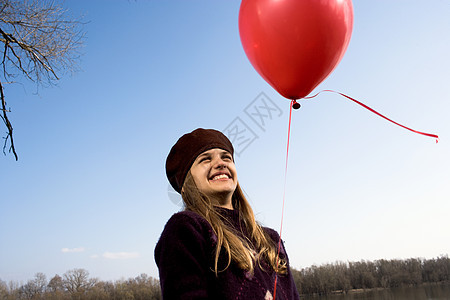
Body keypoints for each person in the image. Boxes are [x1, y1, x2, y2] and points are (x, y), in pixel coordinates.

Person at [155, 128, 300, 300]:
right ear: (185, 184)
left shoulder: (271, 238)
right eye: (205, 159)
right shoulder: (186, 228)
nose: (220, 163)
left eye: (226, 158)